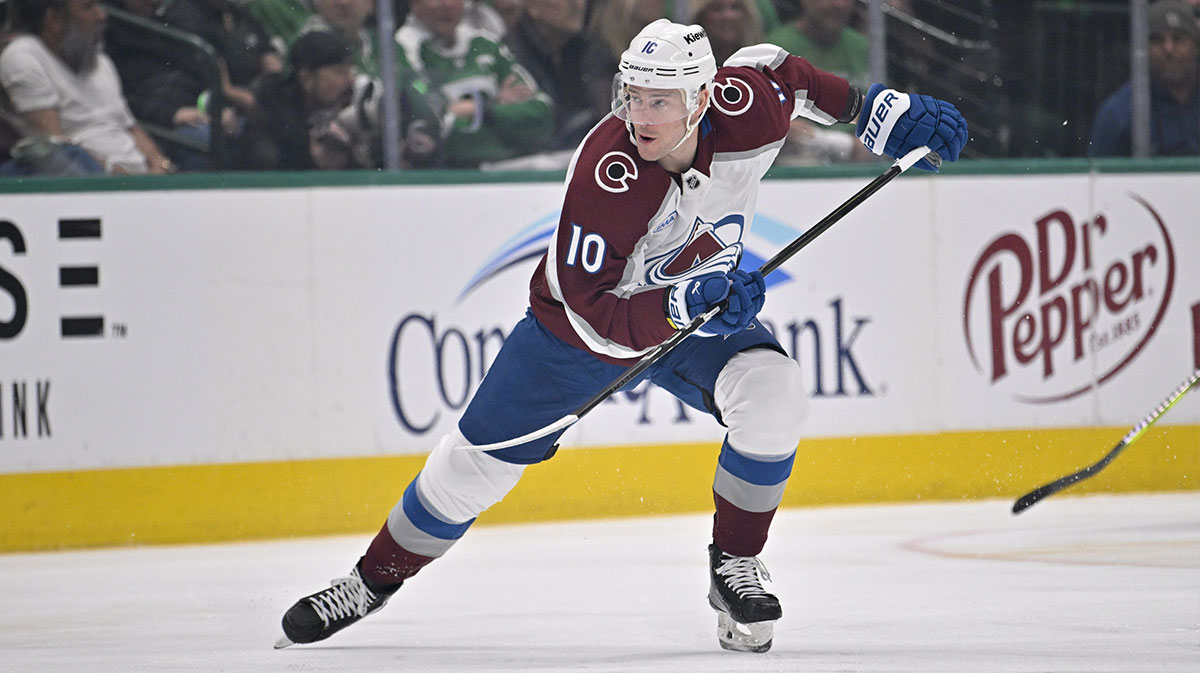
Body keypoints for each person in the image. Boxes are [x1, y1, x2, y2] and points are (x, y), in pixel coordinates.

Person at [275, 18, 966, 653]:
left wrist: (880, 112)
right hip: (575, 338)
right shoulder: (608, 175)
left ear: (704, 99)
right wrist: (684, 301)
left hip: (690, 316)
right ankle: (370, 580)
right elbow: (592, 315)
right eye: (632, 96)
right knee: (469, 470)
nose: (640, 115)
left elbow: (786, 73)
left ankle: (734, 563)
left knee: (775, 392)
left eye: (660, 100)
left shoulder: (746, 107)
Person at [0, 0, 174, 174]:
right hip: (85, 178)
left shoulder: (100, 60)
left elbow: (130, 127)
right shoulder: (23, 56)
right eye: (88, 7)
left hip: (138, 178)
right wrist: (122, 177)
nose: (101, 15)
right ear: (54, 19)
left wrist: (159, 163)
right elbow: (56, 144)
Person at [396, 0, 552, 167]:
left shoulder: (485, 44)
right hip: (448, 175)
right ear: (414, 3)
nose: (446, 4)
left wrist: (480, 109)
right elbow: (441, 128)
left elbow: (542, 112)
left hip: (507, 169)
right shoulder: (401, 50)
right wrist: (503, 111)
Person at [767, 0, 874, 165]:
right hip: (799, 161)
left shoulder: (864, 47)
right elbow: (768, 115)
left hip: (861, 160)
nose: (839, 5)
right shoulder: (776, 48)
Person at [1088, 0, 1199, 157]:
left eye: (1178, 39)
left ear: (1196, 45)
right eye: (1157, 40)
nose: (1168, 49)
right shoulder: (1119, 112)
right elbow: (1099, 170)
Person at [504, 0, 616, 150]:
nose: (578, 4)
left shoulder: (591, 50)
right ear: (532, 7)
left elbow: (606, 112)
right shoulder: (509, 58)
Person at [239, 30, 359, 169]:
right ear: (306, 78)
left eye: (351, 71)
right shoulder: (269, 118)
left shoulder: (345, 108)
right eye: (340, 72)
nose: (351, 80)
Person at [687, 0, 763, 67]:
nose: (728, 16)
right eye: (717, 8)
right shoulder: (688, 65)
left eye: (735, 7)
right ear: (701, 17)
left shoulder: (760, 61)